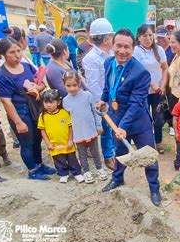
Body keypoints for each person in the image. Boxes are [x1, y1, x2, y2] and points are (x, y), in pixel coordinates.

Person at [97, 28, 161, 206]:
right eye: (119, 46)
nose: (122, 51)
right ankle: (117, 179)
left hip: (139, 124)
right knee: (120, 153)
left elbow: (136, 104)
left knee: (148, 157)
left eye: (127, 47)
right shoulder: (109, 62)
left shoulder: (141, 73)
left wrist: (123, 126)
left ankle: (154, 189)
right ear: (112, 45)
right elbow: (108, 87)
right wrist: (103, 100)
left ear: (133, 49)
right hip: (116, 120)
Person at [0, 37, 56, 180]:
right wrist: (18, 122)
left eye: (19, 51)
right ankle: (33, 171)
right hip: (20, 111)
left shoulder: (26, 66)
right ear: (4, 54)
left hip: (35, 106)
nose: (17, 55)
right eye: (12, 52)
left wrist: (37, 87)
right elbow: (6, 101)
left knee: (37, 139)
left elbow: (40, 83)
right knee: (26, 143)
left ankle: (40, 165)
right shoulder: (2, 76)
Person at [63, 71, 107, 184]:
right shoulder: (65, 101)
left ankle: (99, 169)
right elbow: (67, 119)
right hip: (78, 132)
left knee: (95, 152)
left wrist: (98, 125)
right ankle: (86, 171)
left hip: (90, 129)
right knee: (82, 154)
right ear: (64, 85)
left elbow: (95, 111)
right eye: (68, 86)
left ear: (79, 83)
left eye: (74, 85)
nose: (72, 88)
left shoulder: (87, 95)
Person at [82, 18, 115, 170]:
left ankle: (115, 152)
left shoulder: (112, 53)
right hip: (104, 101)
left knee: (116, 127)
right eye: (111, 36)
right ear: (106, 39)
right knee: (107, 130)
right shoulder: (91, 59)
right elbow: (94, 85)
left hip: (116, 97)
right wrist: (102, 104)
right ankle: (109, 157)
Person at [133, 24, 169, 154]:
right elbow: (137, 72)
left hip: (158, 91)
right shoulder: (136, 51)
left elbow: (165, 69)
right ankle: (146, 144)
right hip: (143, 91)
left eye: (150, 35)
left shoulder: (159, 50)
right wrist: (151, 83)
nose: (148, 38)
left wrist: (163, 85)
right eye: (144, 36)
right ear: (139, 37)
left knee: (158, 118)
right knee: (144, 118)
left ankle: (158, 142)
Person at [37, 89, 84, 184]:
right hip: (54, 145)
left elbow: (70, 127)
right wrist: (48, 143)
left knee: (72, 158)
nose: (48, 105)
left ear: (58, 102)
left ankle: (77, 173)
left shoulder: (64, 113)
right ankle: (63, 174)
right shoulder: (42, 116)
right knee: (58, 160)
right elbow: (43, 131)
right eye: (46, 102)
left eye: (51, 102)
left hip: (67, 142)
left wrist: (70, 140)